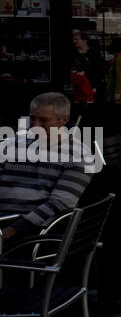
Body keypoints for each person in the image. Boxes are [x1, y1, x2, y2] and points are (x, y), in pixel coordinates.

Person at [0, 93, 95, 242]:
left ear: (63, 120)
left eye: (44, 120)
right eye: (32, 118)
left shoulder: (79, 154)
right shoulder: (10, 145)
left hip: (33, 231)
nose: (35, 126)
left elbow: (60, 203)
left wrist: (12, 230)